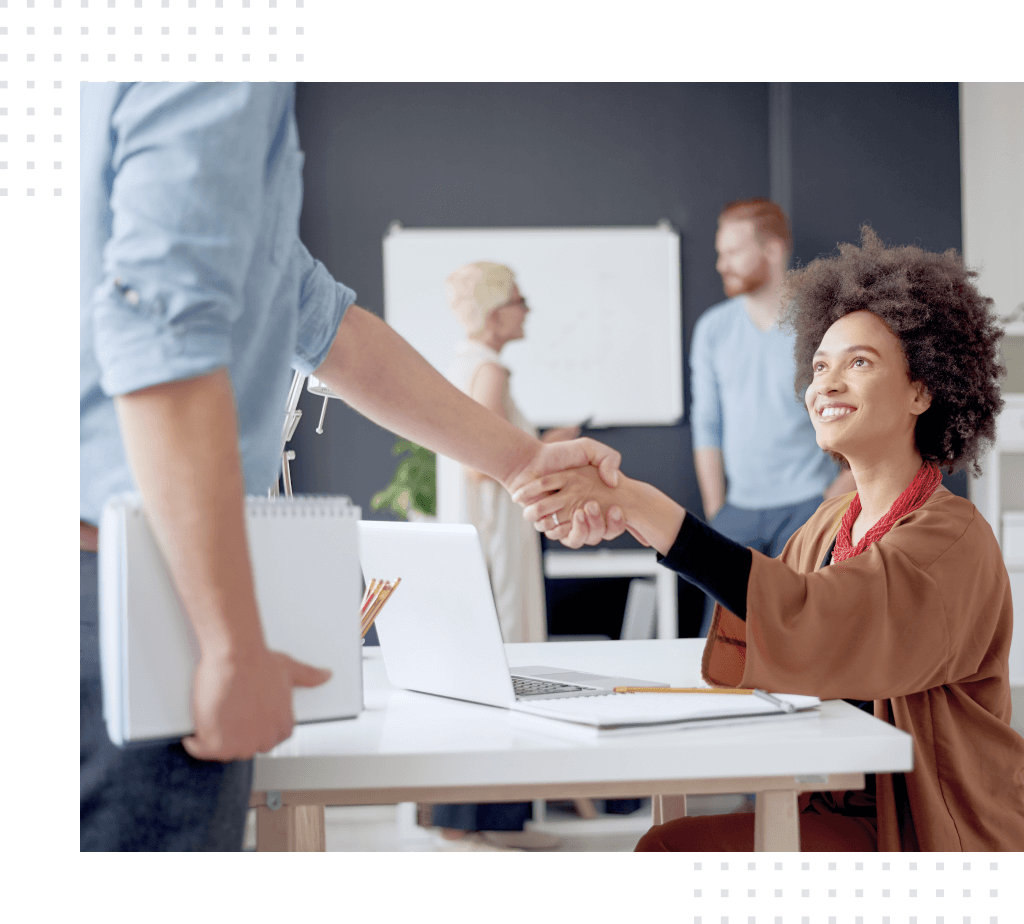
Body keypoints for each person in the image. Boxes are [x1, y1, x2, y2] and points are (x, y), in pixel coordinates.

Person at [80, 83, 619, 852]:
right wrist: (230, 641)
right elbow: (164, 332)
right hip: (128, 592)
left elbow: (324, 323)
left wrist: (523, 460)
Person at [516, 226, 1024, 851]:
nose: (826, 384)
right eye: (819, 365)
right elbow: (766, 628)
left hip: (930, 832)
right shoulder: (827, 529)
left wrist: (646, 507)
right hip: (844, 812)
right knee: (667, 842)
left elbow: (816, 619)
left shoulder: (952, 537)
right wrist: (624, 513)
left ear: (922, 390)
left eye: (858, 363)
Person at [429, 262, 582, 850]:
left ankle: (463, 822)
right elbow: (480, 459)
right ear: (496, 311)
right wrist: (550, 446)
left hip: (477, 538)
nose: (527, 309)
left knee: (474, 670)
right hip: (493, 542)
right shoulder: (487, 368)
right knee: (503, 667)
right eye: (519, 299)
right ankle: (492, 826)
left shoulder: (463, 362)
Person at [691, 198, 856, 637]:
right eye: (720, 253)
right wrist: (717, 513)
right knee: (725, 644)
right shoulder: (713, 329)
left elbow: (857, 412)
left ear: (772, 250)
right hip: (736, 512)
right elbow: (706, 425)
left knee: (802, 637)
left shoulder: (823, 325)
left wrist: (834, 498)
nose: (721, 264)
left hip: (809, 507)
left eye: (732, 252)